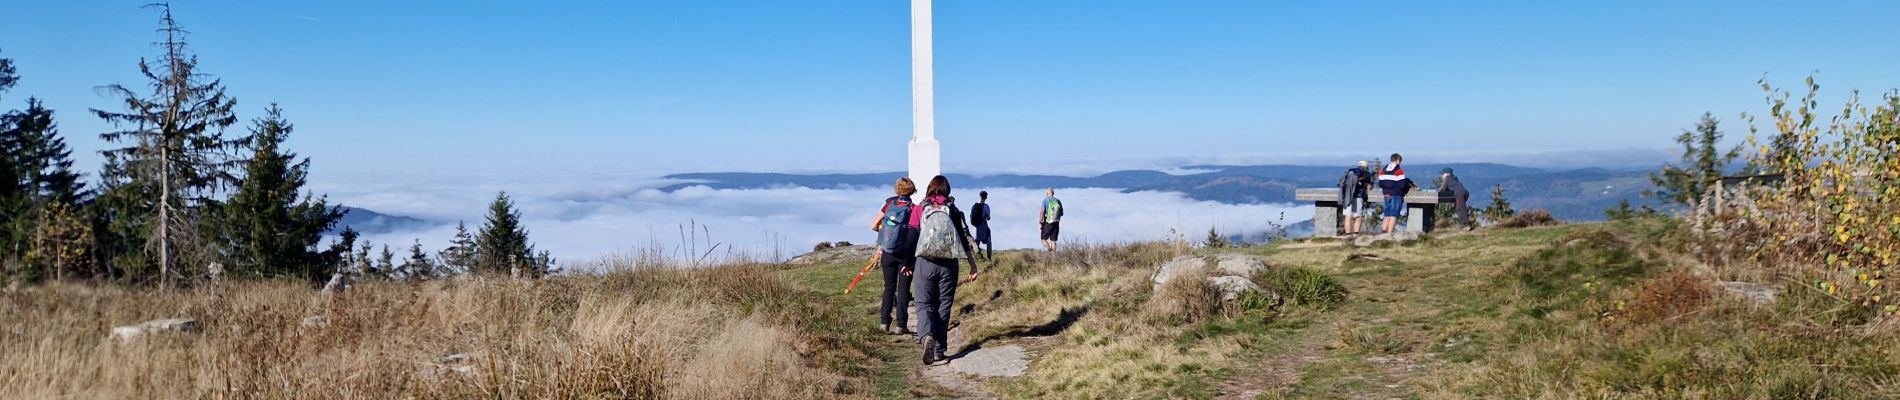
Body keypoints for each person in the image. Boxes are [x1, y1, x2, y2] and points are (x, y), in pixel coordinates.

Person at [911, 175, 980, 365]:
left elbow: (911, 236)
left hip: (925, 262)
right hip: (949, 264)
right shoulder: (953, 210)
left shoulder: (919, 209)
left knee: (924, 303)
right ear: (947, 190)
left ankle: (926, 337)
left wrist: (907, 264)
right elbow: (964, 238)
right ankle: (939, 350)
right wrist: (972, 265)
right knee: (943, 305)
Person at [869, 177, 918, 336]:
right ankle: (901, 325)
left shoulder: (889, 205)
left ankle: (884, 323)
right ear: (912, 190)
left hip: (887, 252)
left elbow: (873, 225)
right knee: (903, 288)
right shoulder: (913, 208)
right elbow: (915, 232)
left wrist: (886, 236)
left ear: (896, 189)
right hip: (905, 254)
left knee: (888, 287)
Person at [1377, 153, 1416, 234]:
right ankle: (1389, 233)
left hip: (1386, 194)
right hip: (1396, 195)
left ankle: (1383, 231)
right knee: (1394, 214)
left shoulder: (1382, 171)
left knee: (1387, 214)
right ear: (1398, 161)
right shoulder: (1399, 171)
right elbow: (1401, 185)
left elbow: (1380, 184)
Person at [1338, 161, 1373, 235]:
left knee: (1347, 217)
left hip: (1347, 196)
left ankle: (1348, 235)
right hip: (1358, 196)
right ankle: (1355, 234)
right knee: (1358, 217)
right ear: (1366, 166)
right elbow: (1369, 187)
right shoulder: (1366, 173)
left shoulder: (1350, 172)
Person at [1039, 188, 1064, 252]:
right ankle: (1053, 257)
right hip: (1056, 222)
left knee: (1043, 238)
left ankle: (1049, 252)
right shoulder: (1058, 201)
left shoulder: (1045, 201)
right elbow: (1061, 213)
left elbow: (1042, 212)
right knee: (1053, 240)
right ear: (1053, 193)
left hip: (1048, 222)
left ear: (1047, 194)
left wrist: (1041, 222)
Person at [971, 191, 993, 259]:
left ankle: (975, 257)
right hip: (983, 226)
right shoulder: (986, 206)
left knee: (977, 241)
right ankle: (989, 258)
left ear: (979, 196)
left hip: (975, 227)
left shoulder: (974, 206)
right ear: (986, 197)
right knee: (988, 241)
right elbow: (988, 218)